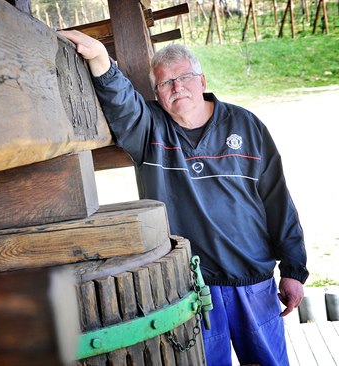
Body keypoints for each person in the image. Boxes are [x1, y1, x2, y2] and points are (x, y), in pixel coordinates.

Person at [58, 30, 309, 366]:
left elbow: (278, 200)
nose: (176, 87)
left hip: (252, 280)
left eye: (184, 77)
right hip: (189, 287)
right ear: (157, 94)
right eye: (165, 83)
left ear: (201, 79)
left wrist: (294, 268)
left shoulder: (246, 126)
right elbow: (122, 101)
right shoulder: (149, 130)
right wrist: (101, 61)